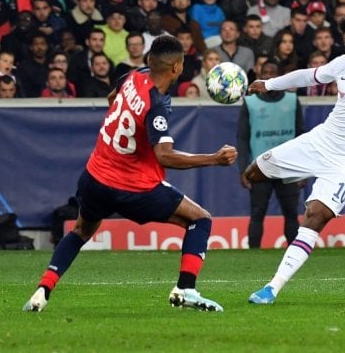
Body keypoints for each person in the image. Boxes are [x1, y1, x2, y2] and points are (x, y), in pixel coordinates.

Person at [23, 35, 238, 313]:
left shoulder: (135, 75)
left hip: (95, 177)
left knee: (81, 230)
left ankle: (43, 290)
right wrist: (214, 159)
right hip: (134, 188)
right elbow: (165, 155)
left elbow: (112, 97)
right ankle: (186, 289)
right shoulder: (156, 105)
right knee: (200, 219)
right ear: (176, 68)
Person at [243, 11, 345, 304]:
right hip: (318, 143)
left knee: (315, 217)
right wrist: (269, 83)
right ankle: (299, 175)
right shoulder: (342, 65)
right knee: (253, 173)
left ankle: (271, 288)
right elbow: (307, 76)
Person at [237, 60, 304, 248]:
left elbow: (301, 136)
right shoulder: (250, 103)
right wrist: (243, 169)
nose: (268, 76)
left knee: (291, 214)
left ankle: (295, 255)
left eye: (273, 72)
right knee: (257, 214)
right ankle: (253, 258)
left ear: (280, 75)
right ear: (260, 74)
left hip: (288, 167)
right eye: (265, 72)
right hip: (260, 167)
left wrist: (304, 169)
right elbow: (242, 137)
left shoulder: (292, 100)